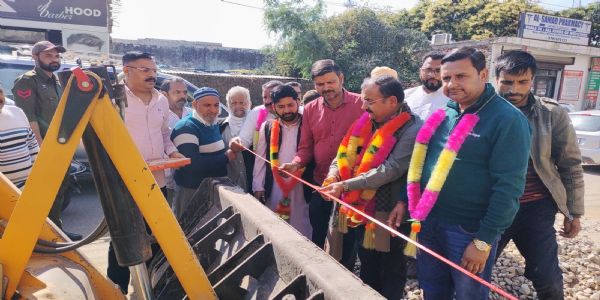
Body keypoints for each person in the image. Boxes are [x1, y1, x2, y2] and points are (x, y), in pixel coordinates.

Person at [410, 47, 531, 299]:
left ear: (483, 74)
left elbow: (509, 188)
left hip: (468, 230)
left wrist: (484, 240)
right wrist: (406, 200)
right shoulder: (447, 112)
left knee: (470, 295)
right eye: (446, 78)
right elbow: (425, 164)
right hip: (430, 222)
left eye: (461, 76)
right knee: (432, 289)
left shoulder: (507, 119)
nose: (452, 84)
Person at [320, 76, 421, 299]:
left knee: (392, 268)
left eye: (369, 101)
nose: (363, 106)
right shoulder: (366, 120)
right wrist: (333, 174)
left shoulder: (412, 128)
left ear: (392, 101)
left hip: (391, 209)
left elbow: (391, 169)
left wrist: (345, 184)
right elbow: (343, 152)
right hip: (361, 207)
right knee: (367, 262)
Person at [494, 50, 585, 299]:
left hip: (536, 208)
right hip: (493, 210)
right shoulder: (484, 113)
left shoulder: (551, 114)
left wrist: (573, 212)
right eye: (507, 82)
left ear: (532, 81)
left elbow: (570, 164)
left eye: (522, 82)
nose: (514, 89)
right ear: (496, 80)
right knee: (473, 272)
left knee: (548, 280)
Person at [108, 51, 184, 294]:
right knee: (123, 234)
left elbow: (164, 135)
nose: (152, 75)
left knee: (154, 233)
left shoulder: (161, 100)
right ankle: (116, 288)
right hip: (124, 180)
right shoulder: (112, 99)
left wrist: (172, 153)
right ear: (127, 70)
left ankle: (151, 285)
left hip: (156, 179)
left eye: (154, 70)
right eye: (145, 70)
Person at [280, 59, 363, 270]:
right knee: (317, 230)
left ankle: (344, 279)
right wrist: (296, 163)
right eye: (320, 84)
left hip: (351, 186)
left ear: (341, 79)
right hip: (320, 182)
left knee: (348, 238)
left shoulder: (361, 104)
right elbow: (306, 146)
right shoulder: (309, 109)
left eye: (330, 82)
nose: (326, 88)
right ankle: (316, 275)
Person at [11, 40, 81, 241]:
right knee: (42, 193)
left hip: (61, 144)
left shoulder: (57, 81)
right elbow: (28, 117)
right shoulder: (27, 81)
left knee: (60, 189)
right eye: (48, 56)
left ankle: (56, 231)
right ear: (35, 57)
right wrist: (41, 147)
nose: (54, 59)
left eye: (57, 56)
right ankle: (40, 235)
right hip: (44, 148)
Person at [253, 85, 312, 238]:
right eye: (281, 106)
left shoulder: (308, 124)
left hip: (302, 184)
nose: (286, 110)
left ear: (298, 102)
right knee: (275, 226)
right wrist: (258, 185)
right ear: (273, 107)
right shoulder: (268, 127)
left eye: (290, 105)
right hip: (275, 185)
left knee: (302, 226)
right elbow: (261, 159)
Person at [171, 87, 235, 219]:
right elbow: (192, 165)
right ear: (194, 104)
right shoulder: (186, 127)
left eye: (216, 105)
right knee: (188, 231)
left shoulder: (211, 123)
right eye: (207, 105)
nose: (213, 110)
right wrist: (226, 158)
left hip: (212, 190)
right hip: (191, 191)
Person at [229, 80, 283, 190]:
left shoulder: (296, 113)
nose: (268, 101)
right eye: (264, 97)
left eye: (271, 96)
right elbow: (243, 140)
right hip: (265, 170)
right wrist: (234, 143)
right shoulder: (257, 112)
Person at [161, 77, 193, 204]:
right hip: (167, 179)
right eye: (177, 92)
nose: (182, 96)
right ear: (165, 95)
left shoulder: (193, 114)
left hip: (189, 179)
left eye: (185, 92)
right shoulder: (159, 116)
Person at [0, 85, 39, 189]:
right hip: (4, 193)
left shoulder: (17, 112)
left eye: (0, 92)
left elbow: (32, 146)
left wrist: (38, 175)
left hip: (28, 187)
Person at [220, 86, 252, 191]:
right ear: (228, 105)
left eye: (242, 102)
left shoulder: (258, 126)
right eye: (233, 103)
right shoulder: (220, 127)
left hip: (253, 185)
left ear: (249, 104)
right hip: (229, 186)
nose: (238, 106)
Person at [404, 51, 449, 120]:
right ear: (420, 72)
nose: (432, 75)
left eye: (438, 70)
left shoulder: (453, 100)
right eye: (428, 69)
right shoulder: (406, 95)